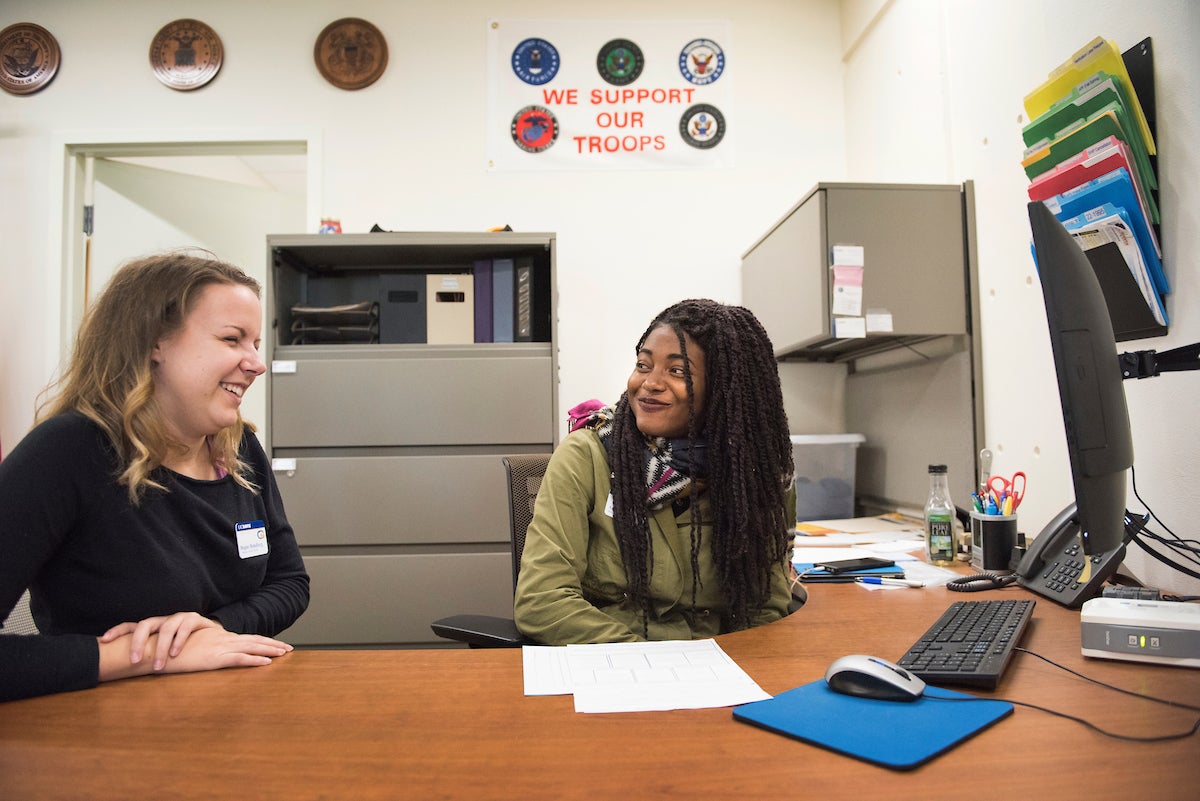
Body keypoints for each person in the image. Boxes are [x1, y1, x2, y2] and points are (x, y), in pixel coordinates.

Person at [0, 251, 310, 703]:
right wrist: (146, 655)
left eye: (256, 344)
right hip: (94, 733)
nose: (256, 363)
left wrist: (214, 631)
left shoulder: (238, 446)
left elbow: (289, 582)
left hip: (230, 718)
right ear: (154, 342)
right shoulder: (69, 450)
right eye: (232, 339)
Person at [514, 298, 796, 644]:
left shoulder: (749, 474)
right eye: (643, 365)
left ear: (723, 391)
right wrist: (649, 662)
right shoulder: (587, 457)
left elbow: (765, 607)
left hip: (718, 671)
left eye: (677, 371)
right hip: (613, 663)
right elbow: (541, 601)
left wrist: (740, 666)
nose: (650, 383)